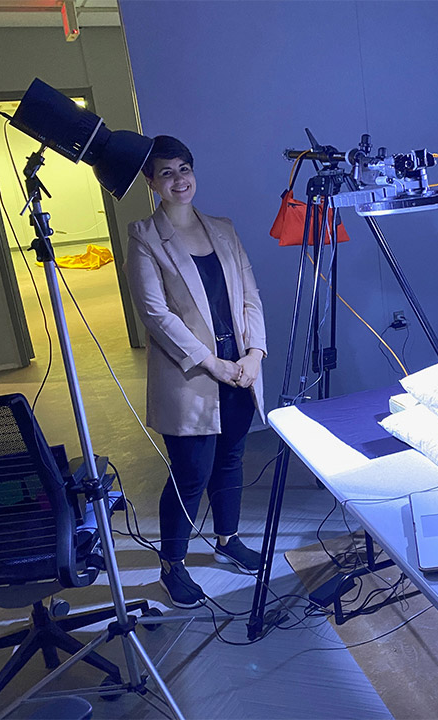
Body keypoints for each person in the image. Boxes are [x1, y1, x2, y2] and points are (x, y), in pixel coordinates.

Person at [126, 135, 268, 609]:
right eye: (166, 172)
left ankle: (227, 540)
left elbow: (250, 294)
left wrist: (254, 354)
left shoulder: (222, 228)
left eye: (184, 168)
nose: (178, 180)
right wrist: (214, 364)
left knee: (231, 460)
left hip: (240, 369)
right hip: (192, 375)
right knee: (190, 473)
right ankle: (172, 566)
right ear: (151, 182)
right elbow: (155, 313)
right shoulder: (145, 237)